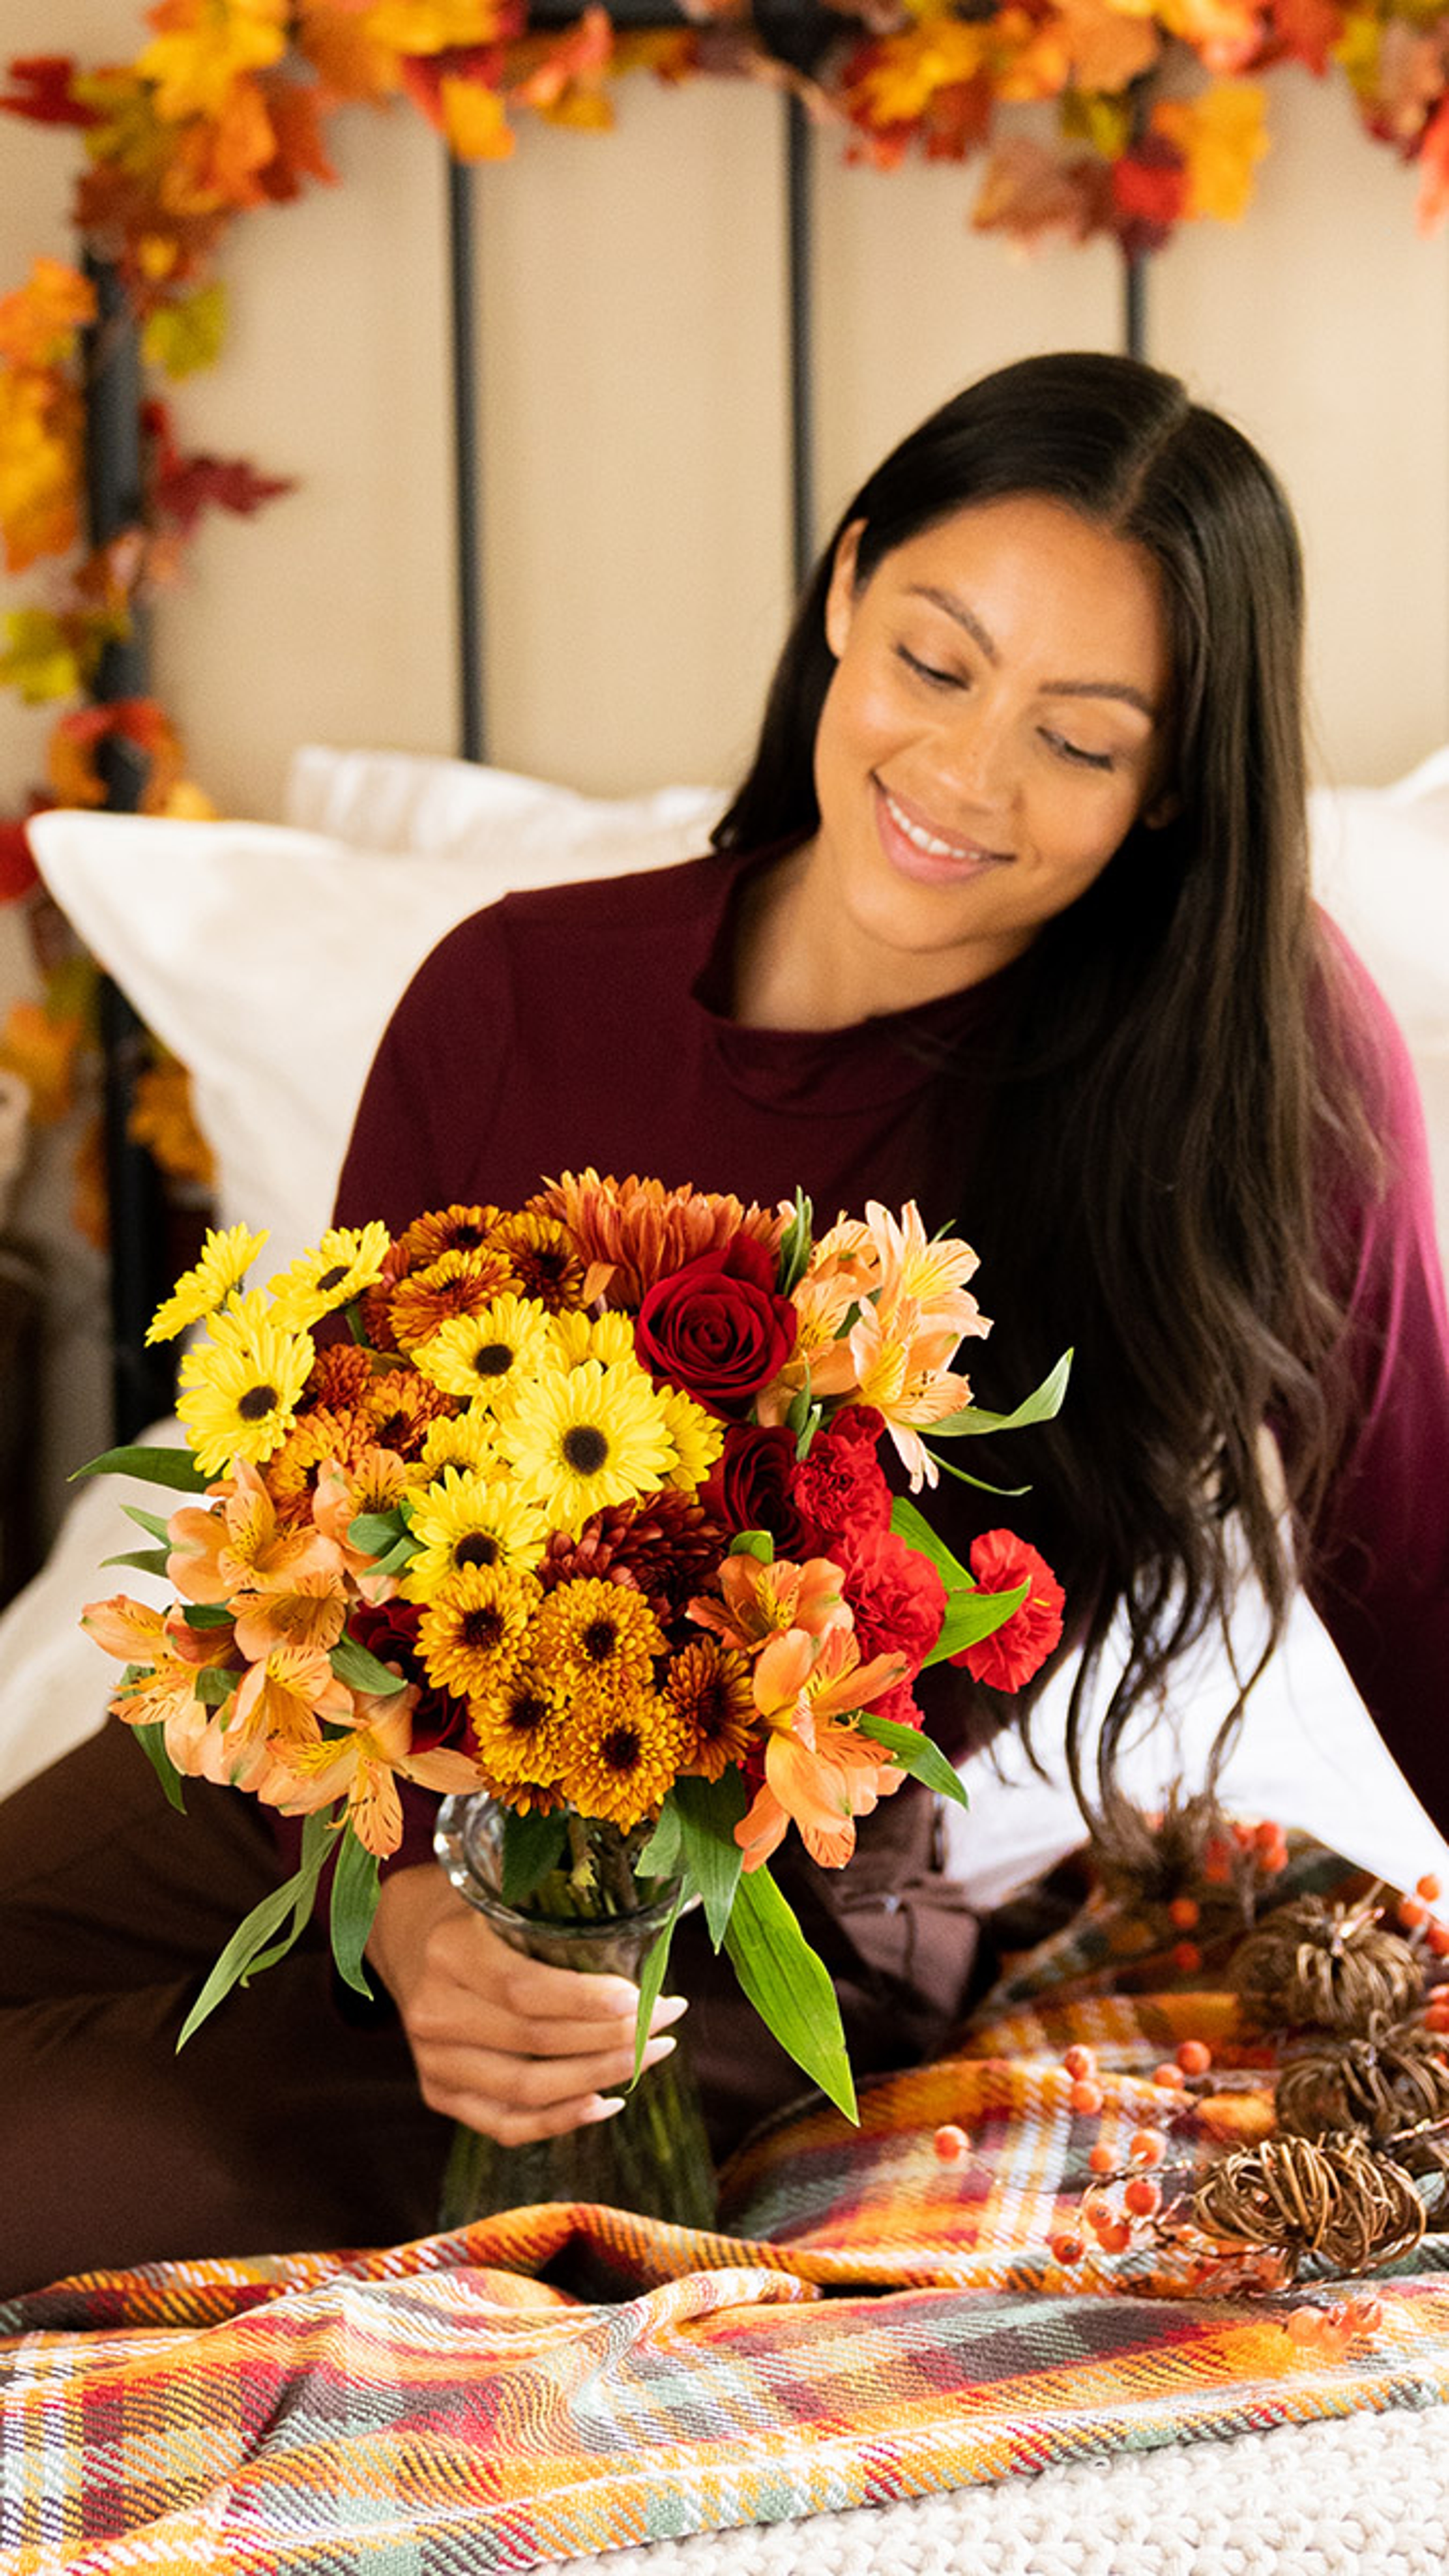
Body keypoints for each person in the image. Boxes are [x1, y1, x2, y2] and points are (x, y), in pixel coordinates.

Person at [0, 350, 1444, 2291]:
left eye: (1081, 740)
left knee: (89, 2165)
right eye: (939, 662)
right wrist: (407, 1899)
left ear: (1176, 779)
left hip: (725, 1910)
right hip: (331, 1799)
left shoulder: (1254, 1064)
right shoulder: (506, 998)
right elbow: (317, 1528)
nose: (967, 777)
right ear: (846, 591)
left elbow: (1420, 1555)